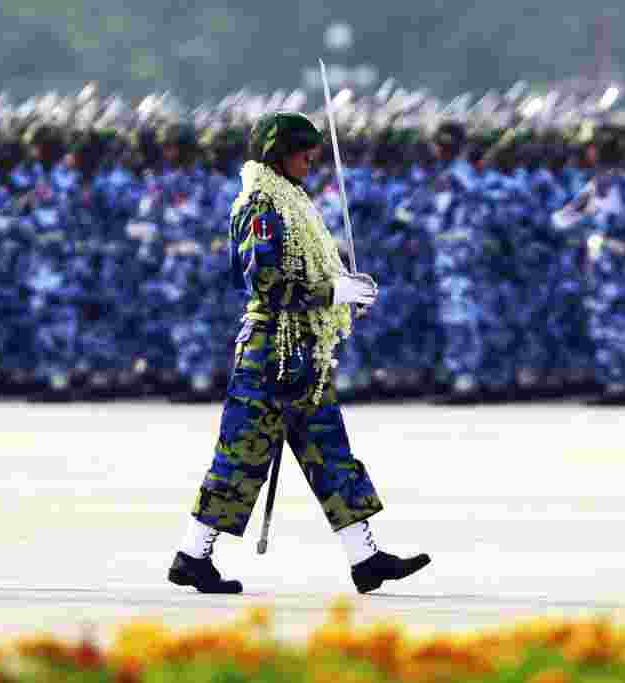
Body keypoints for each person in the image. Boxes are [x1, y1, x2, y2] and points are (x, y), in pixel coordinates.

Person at [168, 111, 431, 594]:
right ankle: (192, 554)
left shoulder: (292, 200)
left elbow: (307, 272)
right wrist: (333, 293)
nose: (312, 158)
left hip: (302, 349)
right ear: (276, 153)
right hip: (271, 351)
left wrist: (345, 288)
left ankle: (365, 558)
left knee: (329, 451)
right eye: (301, 149)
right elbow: (267, 286)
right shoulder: (261, 207)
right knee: (241, 456)